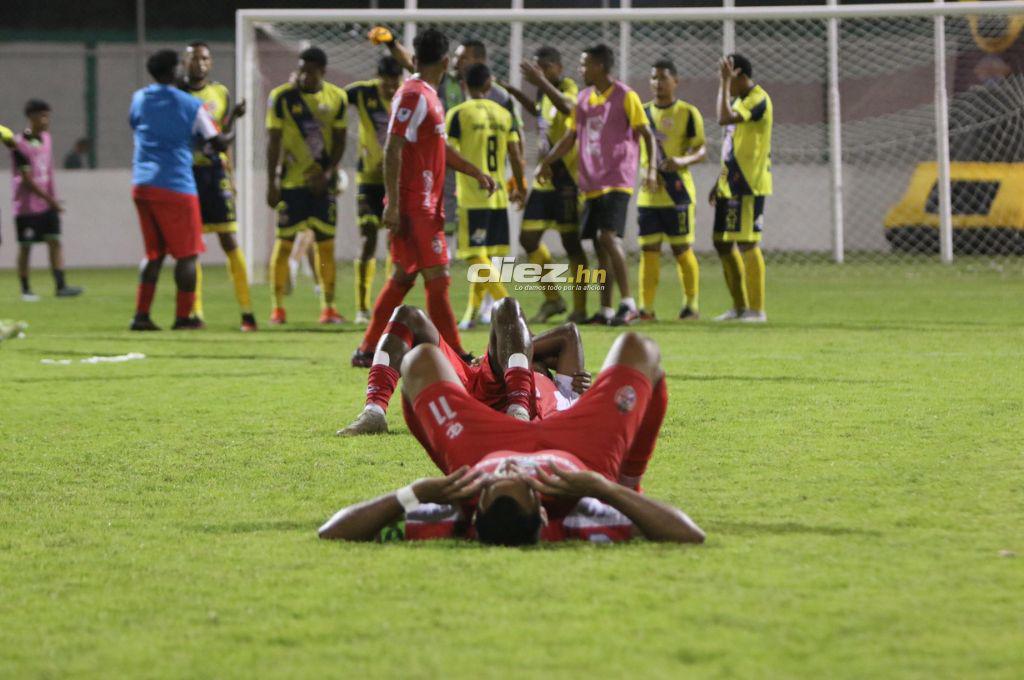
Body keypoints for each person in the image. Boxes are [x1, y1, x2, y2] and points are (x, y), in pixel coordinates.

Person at [319, 332, 705, 545]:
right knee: (639, 348)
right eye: (525, 484)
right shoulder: (581, 519)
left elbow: (332, 529)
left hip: (480, 450)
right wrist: (610, 490)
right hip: (581, 456)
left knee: (419, 360)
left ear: (478, 505)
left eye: (494, 484)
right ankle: (629, 479)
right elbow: (689, 533)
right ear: (540, 509)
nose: (513, 473)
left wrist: (415, 492)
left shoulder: (454, 516)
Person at [351, 28, 496, 368]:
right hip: (414, 205)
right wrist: (395, 203)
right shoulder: (414, 95)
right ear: (446, 61)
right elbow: (393, 147)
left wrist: (474, 170)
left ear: (416, 59)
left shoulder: (428, 93)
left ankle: (368, 349)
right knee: (439, 277)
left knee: (402, 277)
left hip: (423, 203)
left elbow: (439, 147)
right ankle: (456, 354)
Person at [371, 28, 522, 324]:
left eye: (462, 57)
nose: (455, 61)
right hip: (453, 180)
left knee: (464, 254)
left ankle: (488, 308)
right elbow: (414, 63)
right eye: (453, 56)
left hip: (459, 180)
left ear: (477, 59)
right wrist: (391, 44)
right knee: (447, 259)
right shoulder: (439, 87)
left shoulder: (482, 100)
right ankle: (476, 314)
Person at [338, 296, 589, 436]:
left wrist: (518, 349)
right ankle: (374, 412)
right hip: (475, 380)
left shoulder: (567, 409)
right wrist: (514, 349)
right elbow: (569, 334)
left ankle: (518, 411)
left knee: (507, 308)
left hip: (504, 397)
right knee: (406, 314)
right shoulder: (568, 392)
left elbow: (567, 335)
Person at [538, 44, 658, 327]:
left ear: (600, 66)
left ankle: (628, 303)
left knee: (607, 237)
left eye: (585, 64)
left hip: (618, 178)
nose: (581, 70)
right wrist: (548, 162)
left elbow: (647, 135)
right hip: (591, 182)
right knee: (598, 246)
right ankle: (605, 309)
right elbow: (570, 138)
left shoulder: (626, 96)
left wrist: (650, 169)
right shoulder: (583, 99)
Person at [129, 50, 226, 331]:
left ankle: (141, 316)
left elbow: (135, 124)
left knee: (153, 254)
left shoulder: (139, 98)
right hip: (175, 185)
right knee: (187, 255)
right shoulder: (189, 104)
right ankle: (184, 317)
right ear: (174, 71)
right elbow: (217, 141)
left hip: (142, 184)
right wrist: (232, 126)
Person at [503, 47, 588, 324]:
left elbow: (567, 107)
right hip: (545, 177)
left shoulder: (568, 87)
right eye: (538, 68)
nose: (540, 72)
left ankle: (580, 307)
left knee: (571, 244)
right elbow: (540, 111)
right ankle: (553, 299)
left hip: (567, 177)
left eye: (546, 68)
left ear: (558, 68)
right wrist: (514, 93)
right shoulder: (543, 93)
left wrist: (541, 82)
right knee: (528, 238)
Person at [265, 46, 348, 326]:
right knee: (284, 245)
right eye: (300, 69)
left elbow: (340, 141)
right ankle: (277, 308)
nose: (303, 75)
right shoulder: (281, 98)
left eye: (309, 71)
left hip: (322, 187)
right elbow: (273, 141)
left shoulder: (337, 97)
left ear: (322, 72)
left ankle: (328, 306)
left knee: (325, 248)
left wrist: (326, 174)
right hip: (291, 184)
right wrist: (272, 182)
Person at [180, 40, 256, 332]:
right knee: (191, 248)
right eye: (193, 58)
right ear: (184, 63)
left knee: (230, 242)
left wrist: (232, 176)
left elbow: (222, 137)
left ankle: (247, 312)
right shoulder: (179, 94)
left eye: (204, 58)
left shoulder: (220, 92)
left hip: (216, 174)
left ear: (210, 63)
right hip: (188, 175)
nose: (199, 63)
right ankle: (195, 312)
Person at [446, 63, 526, 330]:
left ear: (464, 85)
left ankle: (510, 310)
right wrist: (520, 187)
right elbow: (516, 154)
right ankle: (470, 315)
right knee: (486, 259)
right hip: (499, 196)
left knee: (473, 255)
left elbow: (449, 154)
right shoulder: (504, 114)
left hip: (473, 196)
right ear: (489, 86)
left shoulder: (458, 114)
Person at [637, 59, 706, 321]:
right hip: (649, 193)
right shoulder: (642, 113)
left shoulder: (688, 113)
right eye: (653, 78)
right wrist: (645, 170)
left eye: (663, 78)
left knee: (681, 249)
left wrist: (682, 160)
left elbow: (701, 149)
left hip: (678, 193)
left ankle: (691, 306)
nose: (657, 83)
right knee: (649, 250)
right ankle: (646, 309)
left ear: (675, 81)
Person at [711, 54, 772, 323]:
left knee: (747, 242)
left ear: (741, 76)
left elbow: (723, 118)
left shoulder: (758, 99)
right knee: (722, 242)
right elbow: (730, 146)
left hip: (749, 184)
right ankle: (738, 307)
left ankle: (757, 310)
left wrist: (723, 84)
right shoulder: (737, 100)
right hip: (729, 182)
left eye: (728, 77)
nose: (725, 83)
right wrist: (719, 180)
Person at [345, 56, 404, 326]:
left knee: (395, 242)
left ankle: (391, 305)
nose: (390, 87)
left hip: (396, 181)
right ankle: (361, 306)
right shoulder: (362, 92)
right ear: (377, 78)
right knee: (368, 237)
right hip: (368, 179)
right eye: (386, 82)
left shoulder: (407, 96)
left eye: (394, 82)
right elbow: (335, 99)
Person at [10, 100, 83, 301]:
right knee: (26, 246)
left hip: (47, 203)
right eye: (42, 116)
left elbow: (48, 172)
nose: (46, 120)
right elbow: (26, 179)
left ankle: (61, 286)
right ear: (31, 117)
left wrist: (53, 198)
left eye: (47, 116)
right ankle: (26, 289)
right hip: (26, 206)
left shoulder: (47, 139)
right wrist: (51, 200)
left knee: (55, 241)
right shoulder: (18, 144)